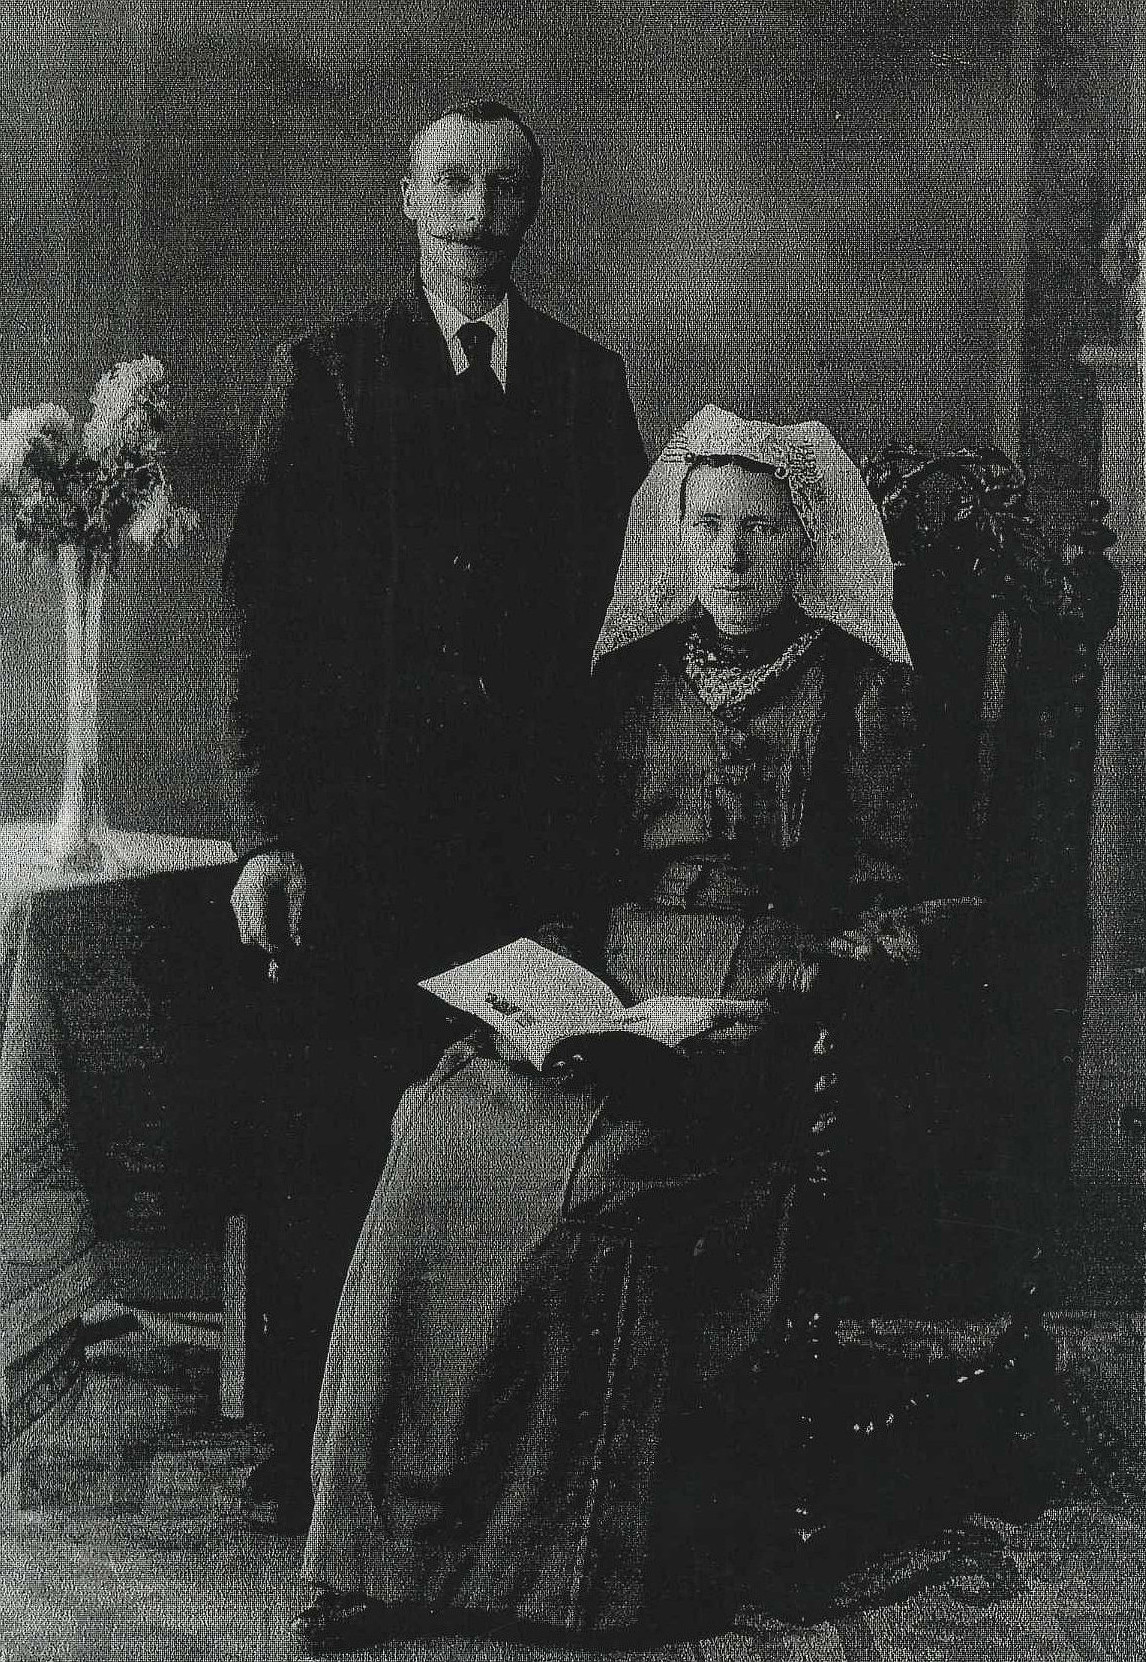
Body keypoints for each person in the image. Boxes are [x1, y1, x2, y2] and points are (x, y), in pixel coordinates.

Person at [291, 406, 920, 1652]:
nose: (730, 555)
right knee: (434, 1137)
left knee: (599, 1181)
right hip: (617, 992)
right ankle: (376, 1548)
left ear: (804, 544)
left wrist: (803, 983)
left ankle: (562, 1574)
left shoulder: (862, 692)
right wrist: (551, 981)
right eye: (708, 527)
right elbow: (576, 876)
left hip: (753, 1013)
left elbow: (898, 903)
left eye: (759, 530)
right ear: (677, 540)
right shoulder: (633, 685)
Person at [217, 99, 647, 1531]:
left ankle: (467, 1453)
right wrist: (269, 835)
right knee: (334, 1137)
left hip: (520, 846)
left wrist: (596, 853)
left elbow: (624, 635)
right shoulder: (329, 373)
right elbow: (261, 617)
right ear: (407, 198)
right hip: (354, 843)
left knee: (500, 1147)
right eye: (451, 181)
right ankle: (309, 1447)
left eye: (504, 186)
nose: (476, 210)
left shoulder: (584, 386)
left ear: (532, 208)